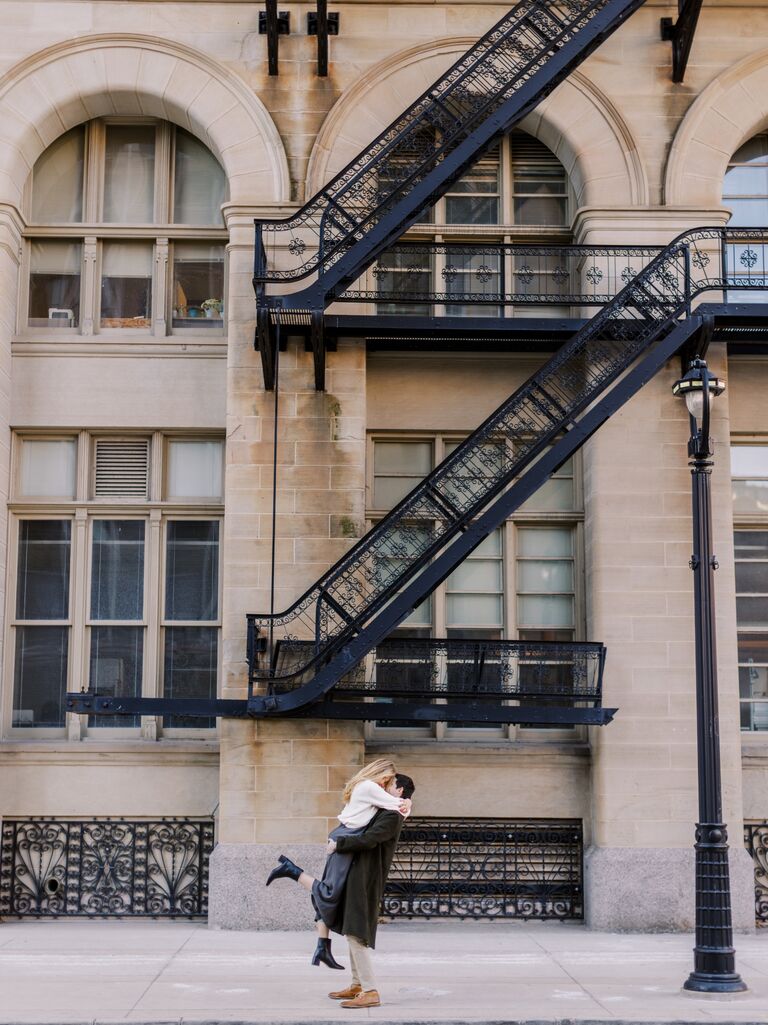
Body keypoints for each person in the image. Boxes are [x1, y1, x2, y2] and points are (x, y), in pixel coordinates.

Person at [264, 759, 411, 970]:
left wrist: (406, 801)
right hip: (344, 838)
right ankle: (291, 870)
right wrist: (407, 803)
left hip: (344, 835)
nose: (385, 786)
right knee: (330, 892)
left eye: (389, 782)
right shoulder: (369, 787)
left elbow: (392, 808)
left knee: (331, 891)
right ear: (380, 774)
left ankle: (322, 947)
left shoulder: (367, 788)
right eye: (386, 780)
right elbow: (398, 807)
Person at [326, 771, 416, 1009]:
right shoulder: (385, 809)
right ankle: (357, 984)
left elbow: (370, 839)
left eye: (390, 784)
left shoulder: (392, 815)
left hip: (367, 878)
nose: (384, 786)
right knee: (350, 930)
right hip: (359, 874)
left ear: (399, 791)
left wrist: (339, 844)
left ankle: (370, 990)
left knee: (356, 932)